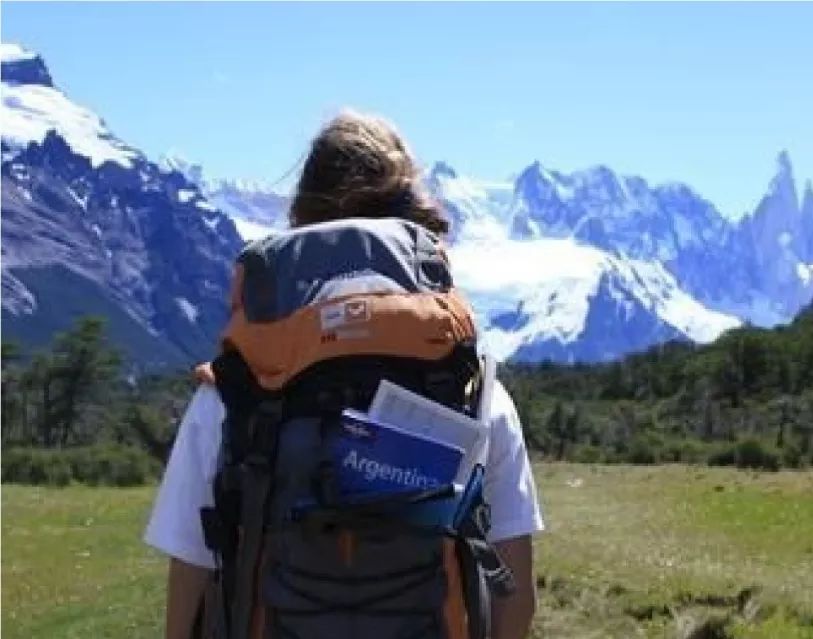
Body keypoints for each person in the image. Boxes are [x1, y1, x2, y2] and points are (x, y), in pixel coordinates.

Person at [144, 111, 544, 639]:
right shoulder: (470, 386)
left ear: (302, 219)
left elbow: (190, 567)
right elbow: (516, 589)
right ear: (416, 219)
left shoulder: (237, 385)